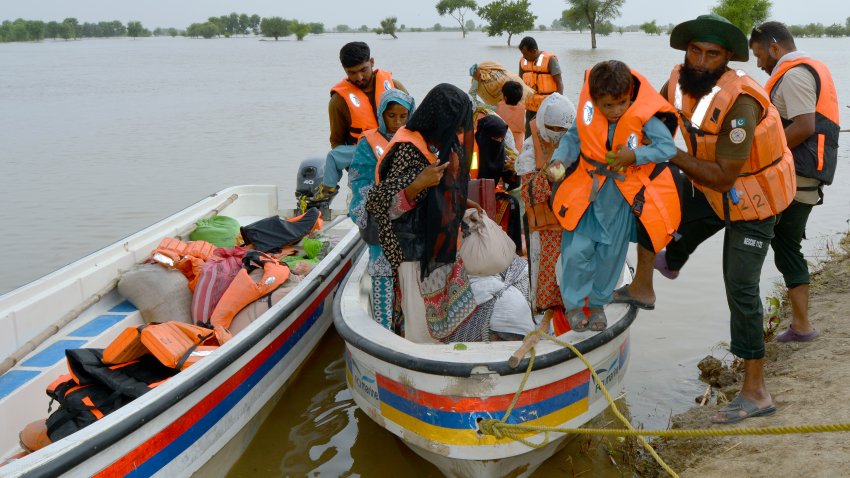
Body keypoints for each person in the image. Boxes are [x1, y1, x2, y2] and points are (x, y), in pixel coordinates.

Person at [622, 14, 796, 424]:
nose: (699, 61)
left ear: (728, 59)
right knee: (648, 197)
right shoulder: (680, 81)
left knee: (740, 285)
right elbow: (650, 116)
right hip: (714, 192)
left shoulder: (741, 103)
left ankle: (756, 392)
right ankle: (644, 284)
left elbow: (724, 175)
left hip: (754, 202)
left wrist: (669, 153)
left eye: (711, 54)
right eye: (694, 51)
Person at [547, 60, 679, 331]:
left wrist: (635, 155)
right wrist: (558, 161)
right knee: (575, 253)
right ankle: (573, 306)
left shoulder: (644, 117)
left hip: (618, 200)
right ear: (595, 100)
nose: (616, 111)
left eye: (622, 103)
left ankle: (597, 305)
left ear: (630, 95)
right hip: (585, 196)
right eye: (608, 106)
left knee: (611, 256)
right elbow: (572, 140)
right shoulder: (588, 114)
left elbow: (666, 147)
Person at [365, 84, 483, 343]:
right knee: (422, 330)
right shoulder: (408, 149)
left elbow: (436, 195)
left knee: (443, 326)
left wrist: (464, 203)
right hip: (413, 254)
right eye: (456, 124)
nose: (460, 132)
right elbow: (381, 206)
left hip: (431, 247)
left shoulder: (430, 144)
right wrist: (418, 183)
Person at [749, 21, 840, 343]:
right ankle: (799, 324)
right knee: (785, 243)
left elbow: (803, 126)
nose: (759, 64)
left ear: (775, 48)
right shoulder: (802, 70)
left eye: (759, 55)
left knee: (778, 243)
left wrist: (757, 156)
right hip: (805, 172)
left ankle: (800, 325)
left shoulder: (795, 75)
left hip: (800, 174)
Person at [348, 89, 415, 332]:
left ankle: (407, 329)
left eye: (403, 116)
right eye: (391, 116)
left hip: (410, 222)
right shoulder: (368, 142)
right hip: (381, 221)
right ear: (381, 115)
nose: (397, 122)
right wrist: (377, 204)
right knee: (383, 273)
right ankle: (383, 330)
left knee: (410, 277)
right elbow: (358, 179)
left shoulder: (415, 139)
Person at [315, 42, 408, 203]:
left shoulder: (395, 87)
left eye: (363, 70)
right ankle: (328, 190)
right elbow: (337, 142)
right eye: (352, 73)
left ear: (372, 62)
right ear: (344, 70)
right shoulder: (338, 101)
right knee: (333, 156)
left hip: (398, 153)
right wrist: (359, 170)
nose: (359, 77)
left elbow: (415, 122)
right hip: (365, 158)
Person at [515, 93, 575, 331]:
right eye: (553, 128)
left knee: (572, 276)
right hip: (544, 230)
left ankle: (573, 316)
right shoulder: (530, 153)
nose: (558, 134)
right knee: (546, 282)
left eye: (563, 129)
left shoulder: (575, 144)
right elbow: (529, 195)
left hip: (572, 226)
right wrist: (546, 177)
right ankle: (547, 323)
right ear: (541, 123)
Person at [518, 36, 564, 137]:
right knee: (529, 137)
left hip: (547, 107)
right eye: (522, 53)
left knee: (546, 136)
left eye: (525, 54)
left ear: (534, 51)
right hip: (530, 107)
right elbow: (520, 82)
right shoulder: (522, 61)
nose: (524, 56)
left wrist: (558, 104)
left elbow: (559, 82)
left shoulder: (550, 60)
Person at [496, 80, 527, 152]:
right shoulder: (523, 110)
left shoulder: (499, 107)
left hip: (502, 142)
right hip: (518, 145)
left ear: (505, 98)